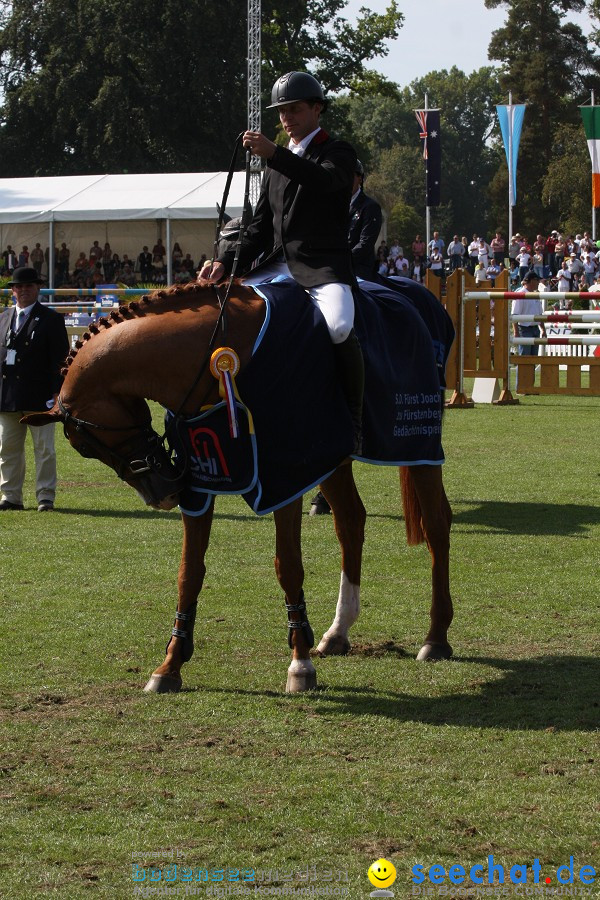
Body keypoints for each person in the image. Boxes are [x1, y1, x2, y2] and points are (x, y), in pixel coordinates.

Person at [199, 70, 364, 457]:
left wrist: (275, 153)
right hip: (277, 264)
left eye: (295, 109)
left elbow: (323, 182)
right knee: (227, 310)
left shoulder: (338, 152)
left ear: (317, 109)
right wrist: (226, 263)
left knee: (339, 326)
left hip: (322, 266)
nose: (287, 117)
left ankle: (354, 422)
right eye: (282, 111)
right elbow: (259, 226)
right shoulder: (276, 163)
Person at [0, 267, 69, 510]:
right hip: (8, 397)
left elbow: (60, 361)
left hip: (40, 397)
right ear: (13, 291)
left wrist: (57, 392)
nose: (24, 290)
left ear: (37, 288)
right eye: (19, 286)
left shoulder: (51, 319)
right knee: (7, 450)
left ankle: (45, 496)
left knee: (45, 450)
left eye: (29, 286)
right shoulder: (2, 318)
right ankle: (10, 496)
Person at [347, 159, 383, 280]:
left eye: (349, 176)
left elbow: (365, 244)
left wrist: (341, 259)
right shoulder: (334, 206)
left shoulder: (370, 207)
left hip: (359, 270)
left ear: (360, 178)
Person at [511, 270, 546, 391]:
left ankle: (530, 386)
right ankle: (521, 386)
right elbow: (514, 314)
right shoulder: (520, 294)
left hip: (535, 329)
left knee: (532, 359)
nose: (538, 283)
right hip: (524, 329)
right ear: (531, 281)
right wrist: (516, 332)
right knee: (524, 359)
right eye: (537, 280)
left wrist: (543, 329)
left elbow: (539, 314)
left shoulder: (535, 294)